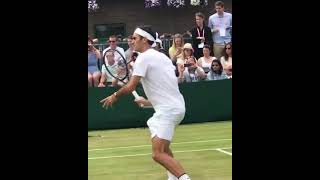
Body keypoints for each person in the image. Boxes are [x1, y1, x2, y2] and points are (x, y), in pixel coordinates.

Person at [100, 26, 191, 180]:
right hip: (175, 107)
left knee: (157, 154)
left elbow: (130, 86)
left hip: (168, 110)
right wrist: (147, 102)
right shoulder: (162, 57)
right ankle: (173, 178)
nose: (132, 40)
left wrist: (114, 95)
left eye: (135, 38)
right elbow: (166, 92)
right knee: (165, 150)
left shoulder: (144, 57)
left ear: (144, 39)